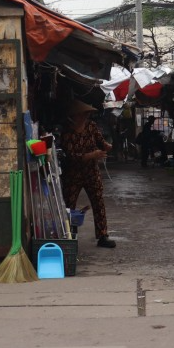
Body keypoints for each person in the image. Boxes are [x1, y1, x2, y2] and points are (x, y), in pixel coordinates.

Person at [61, 100, 116, 248]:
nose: (86, 117)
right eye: (83, 114)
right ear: (75, 115)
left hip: (91, 172)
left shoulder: (91, 126)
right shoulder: (67, 132)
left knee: (98, 202)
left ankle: (103, 235)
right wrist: (93, 155)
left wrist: (107, 146)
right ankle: (69, 235)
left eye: (87, 114)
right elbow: (71, 156)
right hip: (73, 174)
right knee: (69, 204)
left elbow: (101, 142)